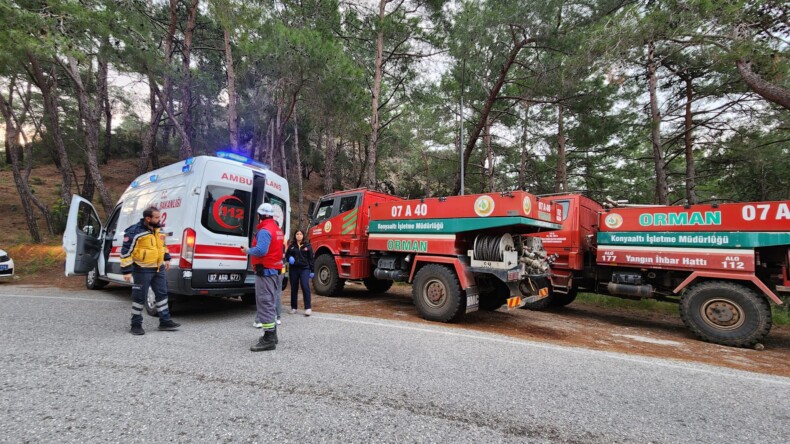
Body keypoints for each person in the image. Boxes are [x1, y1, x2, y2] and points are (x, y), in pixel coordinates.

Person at [120, 206, 181, 335]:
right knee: (139, 297)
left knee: (162, 294)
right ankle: (135, 325)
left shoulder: (159, 230)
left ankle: (165, 321)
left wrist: (167, 258)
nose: (160, 219)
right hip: (142, 269)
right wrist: (126, 271)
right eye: (157, 217)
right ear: (148, 218)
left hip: (159, 268)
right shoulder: (134, 232)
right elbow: (126, 251)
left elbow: (162, 246)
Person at [242, 203, 285, 352]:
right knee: (271, 302)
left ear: (260, 216)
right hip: (274, 270)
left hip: (265, 271)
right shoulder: (277, 229)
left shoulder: (265, 230)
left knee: (265, 302)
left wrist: (247, 250)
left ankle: (268, 338)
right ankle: (273, 335)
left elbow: (261, 250)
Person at [285, 229, 314, 316]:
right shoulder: (292, 246)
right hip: (294, 269)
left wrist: (312, 270)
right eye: (297, 234)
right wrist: (289, 257)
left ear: (303, 235)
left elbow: (311, 259)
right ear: (295, 235)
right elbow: (287, 255)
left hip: (304, 268)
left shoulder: (307, 246)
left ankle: (308, 308)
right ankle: (294, 307)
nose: (299, 235)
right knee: (294, 287)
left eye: (300, 234)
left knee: (305, 286)